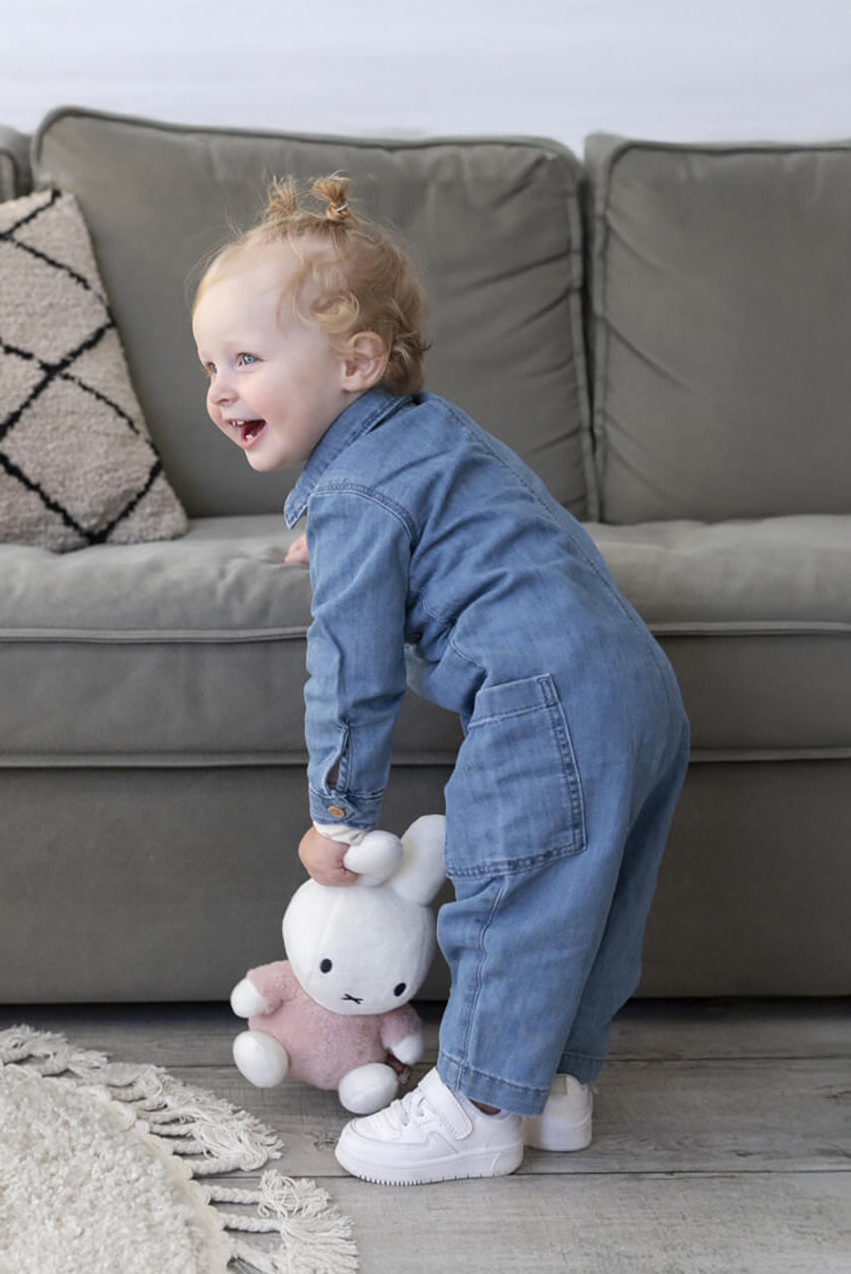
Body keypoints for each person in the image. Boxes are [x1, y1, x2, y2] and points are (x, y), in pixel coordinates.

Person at [191, 174, 690, 1186]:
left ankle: (471, 1106)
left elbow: (353, 668)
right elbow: (451, 534)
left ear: (357, 363)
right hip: (636, 684)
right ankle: (552, 1086)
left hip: (537, 694)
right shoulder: (437, 440)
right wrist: (326, 531)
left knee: (510, 897)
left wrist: (340, 816)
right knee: (586, 899)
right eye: (209, 364)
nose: (219, 389)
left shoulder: (359, 493)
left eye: (247, 359)